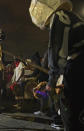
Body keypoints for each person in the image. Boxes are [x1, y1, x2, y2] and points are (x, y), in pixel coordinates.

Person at [29, 0, 84, 130]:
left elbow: (57, 55)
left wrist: (49, 85)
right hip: (77, 65)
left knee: (70, 111)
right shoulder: (73, 16)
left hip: (78, 64)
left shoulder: (59, 17)